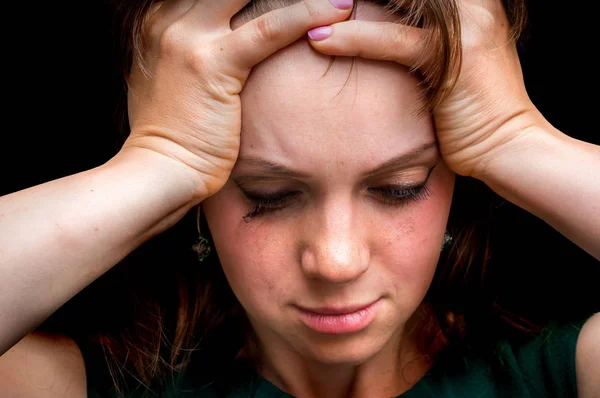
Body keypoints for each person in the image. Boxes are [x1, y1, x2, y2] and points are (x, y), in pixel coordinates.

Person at [0, 0, 598, 396]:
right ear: (198, 201)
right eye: (269, 194)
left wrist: (516, 139)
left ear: (456, 182)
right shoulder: (81, 385)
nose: (336, 261)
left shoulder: (560, 375)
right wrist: (157, 160)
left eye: (399, 188)